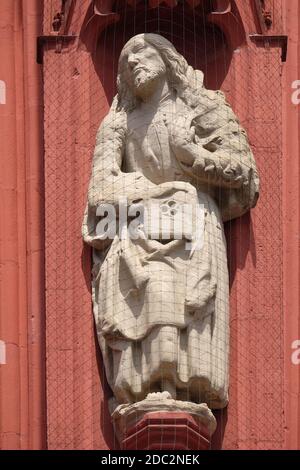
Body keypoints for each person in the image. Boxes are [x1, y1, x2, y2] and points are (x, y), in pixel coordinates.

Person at [82, 33, 259, 410]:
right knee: (154, 300)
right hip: (138, 227)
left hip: (193, 226)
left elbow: (244, 173)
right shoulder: (118, 125)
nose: (131, 62)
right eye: (124, 59)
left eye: (141, 51)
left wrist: (191, 155)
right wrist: (153, 191)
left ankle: (187, 393)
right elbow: (99, 189)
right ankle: (144, 393)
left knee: (186, 307)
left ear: (167, 57)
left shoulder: (202, 107)